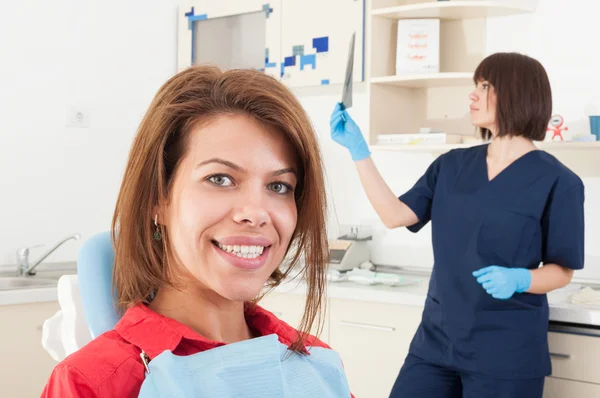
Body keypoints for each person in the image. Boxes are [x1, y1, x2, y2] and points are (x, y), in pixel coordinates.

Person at [42, 65, 353, 397]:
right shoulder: (90, 382)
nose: (256, 213)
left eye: (279, 185)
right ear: (157, 199)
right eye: (220, 179)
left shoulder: (316, 363)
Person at [330, 52, 584, 398]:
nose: (473, 95)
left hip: (506, 353)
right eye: (475, 86)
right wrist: (358, 152)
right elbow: (395, 215)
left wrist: (521, 279)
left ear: (517, 93)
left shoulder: (558, 181)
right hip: (436, 342)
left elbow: (562, 270)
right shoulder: (451, 165)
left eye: (485, 86)